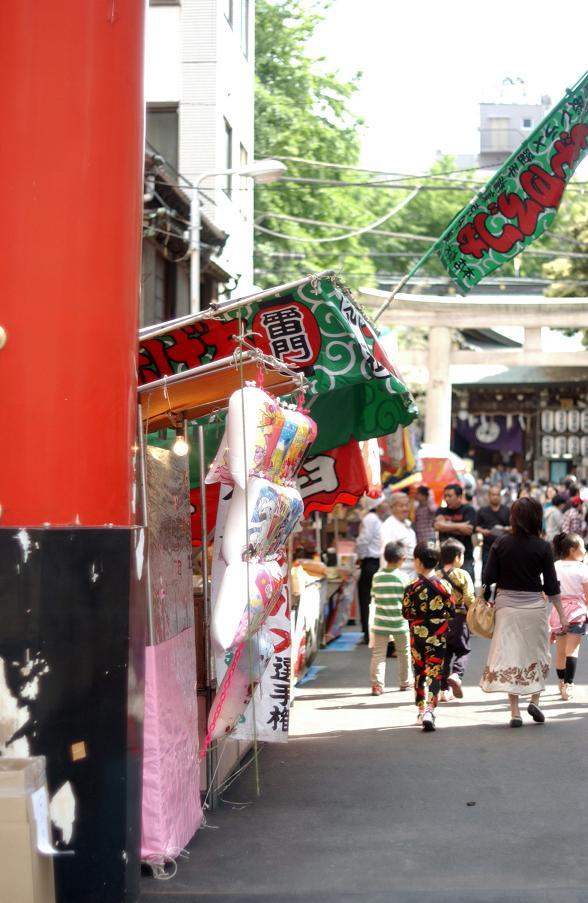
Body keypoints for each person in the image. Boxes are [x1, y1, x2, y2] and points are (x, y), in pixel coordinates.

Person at [480, 497, 568, 727]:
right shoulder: (542, 547)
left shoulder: (501, 543)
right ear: (537, 518)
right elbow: (551, 585)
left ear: (513, 517)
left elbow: (489, 577)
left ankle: (515, 712)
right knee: (538, 654)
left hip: (506, 608)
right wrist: (562, 613)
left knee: (512, 656)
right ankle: (536, 700)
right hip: (534, 609)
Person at [402, 542, 454, 732]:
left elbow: (406, 613)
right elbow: (451, 611)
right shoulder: (444, 585)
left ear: (417, 561)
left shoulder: (411, 587)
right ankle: (430, 711)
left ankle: (421, 709)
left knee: (419, 673)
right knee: (435, 672)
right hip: (438, 636)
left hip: (417, 637)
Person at [369, 542, 413, 696]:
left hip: (380, 622)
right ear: (401, 559)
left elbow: (374, 596)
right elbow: (408, 600)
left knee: (379, 654)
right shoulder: (403, 577)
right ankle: (405, 682)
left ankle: (377, 685)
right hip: (400, 623)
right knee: (404, 653)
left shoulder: (377, 576)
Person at [549, 532, 588, 700]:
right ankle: (569, 685)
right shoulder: (582, 568)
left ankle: (560, 683)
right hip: (577, 612)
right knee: (572, 650)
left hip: (558, 612)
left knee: (560, 651)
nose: (585, 550)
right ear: (573, 550)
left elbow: (547, 591)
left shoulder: (554, 566)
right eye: (582, 548)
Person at [437, 539, 475, 703]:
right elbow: (469, 597)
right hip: (459, 618)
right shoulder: (462, 574)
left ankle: (443, 691)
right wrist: (474, 612)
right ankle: (457, 674)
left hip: (440, 621)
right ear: (457, 557)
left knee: (444, 655)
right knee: (462, 651)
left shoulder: (436, 576)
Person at [356, 495, 387, 644]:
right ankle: (369, 632)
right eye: (384, 502)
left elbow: (363, 541)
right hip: (370, 562)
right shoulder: (371, 519)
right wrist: (361, 557)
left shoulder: (373, 519)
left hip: (372, 562)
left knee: (368, 598)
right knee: (368, 599)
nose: (386, 505)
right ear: (378, 504)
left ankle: (370, 632)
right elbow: (363, 540)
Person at [434, 483, 476, 581]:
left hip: (465, 557)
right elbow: (437, 526)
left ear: (459, 497)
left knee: (466, 589)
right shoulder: (441, 510)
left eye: (450, 496)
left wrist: (445, 525)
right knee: (442, 590)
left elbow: (468, 530)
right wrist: (460, 526)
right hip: (444, 558)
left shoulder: (468, 510)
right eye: (445, 496)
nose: (446, 499)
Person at [380, 492, 417, 578]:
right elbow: (385, 554)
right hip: (395, 578)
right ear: (392, 508)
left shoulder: (408, 526)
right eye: (401, 506)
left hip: (411, 576)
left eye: (407, 505)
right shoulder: (388, 526)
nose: (405, 509)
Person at [475, 485, 510, 575]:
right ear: (489, 496)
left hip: (504, 546)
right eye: (493, 495)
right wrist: (483, 531)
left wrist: (506, 529)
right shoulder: (482, 511)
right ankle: (485, 589)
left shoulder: (507, 510)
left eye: (497, 495)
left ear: (500, 496)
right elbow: (476, 527)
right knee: (486, 572)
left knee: (504, 571)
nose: (495, 497)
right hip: (488, 546)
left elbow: (513, 526)